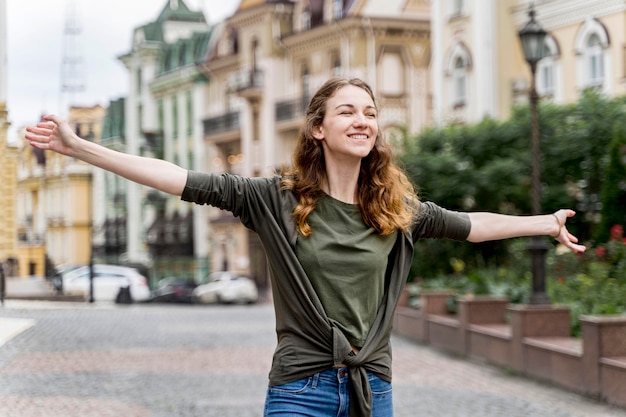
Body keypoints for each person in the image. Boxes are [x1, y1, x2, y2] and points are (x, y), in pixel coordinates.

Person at [25, 77, 586, 417]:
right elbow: (178, 177)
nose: (361, 120)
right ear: (318, 128)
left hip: (374, 387)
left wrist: (543, 223)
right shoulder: (274, 198)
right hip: (301, 388)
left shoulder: (394, 211)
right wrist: (82, 150)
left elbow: (471, 224)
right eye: (347, 111)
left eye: (369, 113)